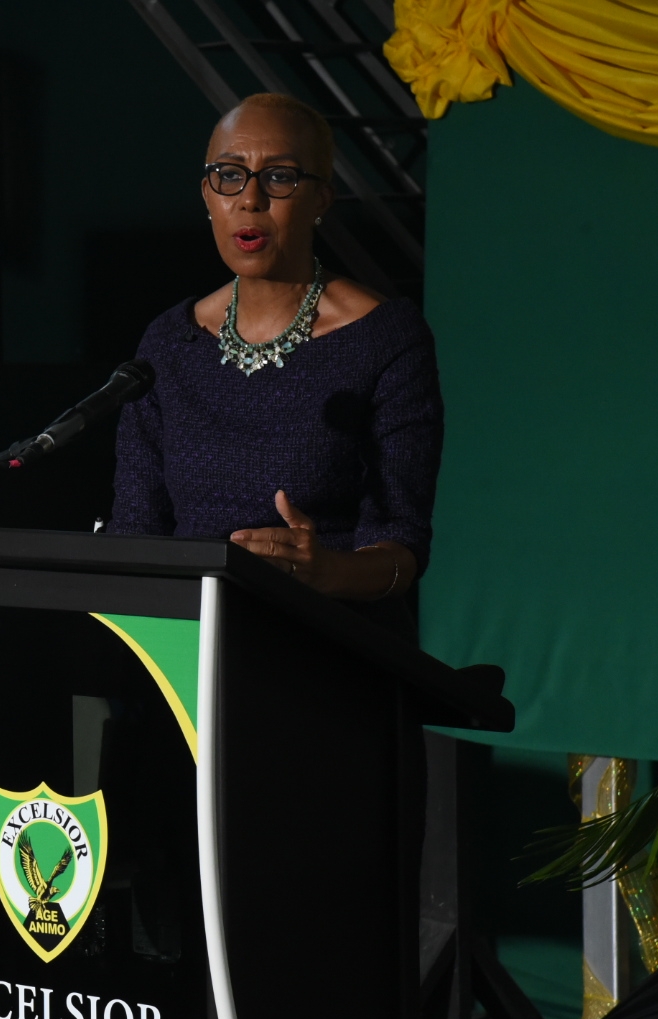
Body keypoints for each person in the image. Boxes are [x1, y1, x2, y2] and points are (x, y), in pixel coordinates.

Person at [110, 92, 442, 622]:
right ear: (207, 194)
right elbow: (134, 529)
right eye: (229, 175)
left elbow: (401, 545)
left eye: (281, 177)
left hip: (329, 643)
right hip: (190, 643)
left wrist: (329, 571)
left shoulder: (385, 338)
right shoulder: (169, 342)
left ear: (321, 201)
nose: (250, 199)